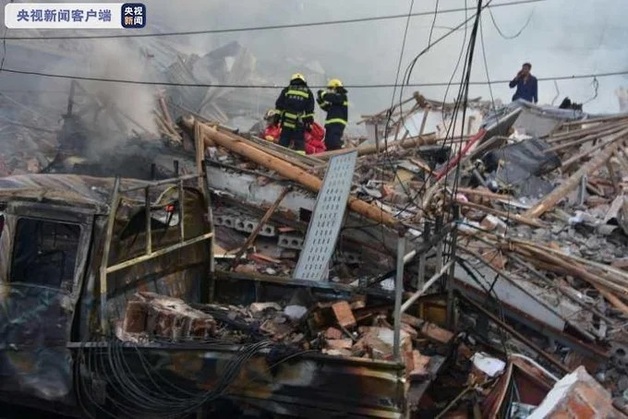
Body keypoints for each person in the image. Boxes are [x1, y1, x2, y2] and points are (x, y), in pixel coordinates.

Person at [274, 73, 315, 154]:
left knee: (284, 140)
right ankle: (300, 161)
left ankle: (279, 158)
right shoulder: (308, 92)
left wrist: (277, 117)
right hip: (299, 122)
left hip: (287, 121)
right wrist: (309, 123)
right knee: (299, 142)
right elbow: (309, 110)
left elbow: (279, 105)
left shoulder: (287, 90)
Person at [316, 78, 348, 150]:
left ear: (336, 88)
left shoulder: (342, 96)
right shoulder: (335, 101)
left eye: (331, 88)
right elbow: (328, 109)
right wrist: (320, 101)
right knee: (328, 142)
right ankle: (329, 154)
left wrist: (323, 94)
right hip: (331, 125)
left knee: (334, 142)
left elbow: (330, 97)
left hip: (337, 124)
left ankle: (336, 154)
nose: (329, 91)